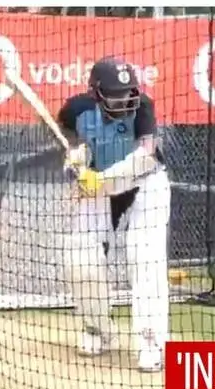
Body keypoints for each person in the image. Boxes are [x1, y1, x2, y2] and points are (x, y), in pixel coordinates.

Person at [57, 56, 170, 372]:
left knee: (144, 256)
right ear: (95, 93)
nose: (124, 100)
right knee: (80, 258)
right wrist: (75, 160)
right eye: (115, 94)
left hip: (145, 184)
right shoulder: (76, 109)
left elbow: (146, 155)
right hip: (100, 189)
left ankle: (151, 341)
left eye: (128, 92)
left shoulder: (143, 106)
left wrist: (102, 177)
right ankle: (98, 328)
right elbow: (67, 138)